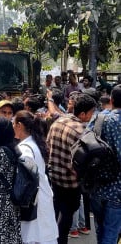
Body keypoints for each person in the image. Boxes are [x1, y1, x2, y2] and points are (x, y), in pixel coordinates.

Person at [46, 94, 97, 244]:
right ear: (83, 113)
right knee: (66, 216)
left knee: (56, 212)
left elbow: (48, 147)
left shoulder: (58, 122)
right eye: (91, 112)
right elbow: (82, 162)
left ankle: (52, 239)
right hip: (71, 182)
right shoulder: (82, 131)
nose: (92, 115)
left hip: (54, 177)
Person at [13, 110, 58, 244]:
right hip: (41, 197)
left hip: (34, 201)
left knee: (33, 237)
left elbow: (25, 176)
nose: (12, 127)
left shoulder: (25, 148)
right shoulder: (34, 142)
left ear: (19, 125)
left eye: (13, 123)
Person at [89, 84, 121, 243]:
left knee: (100, 230)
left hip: (96, 185)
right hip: (116, 190)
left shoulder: (99, 117)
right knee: (111, 234)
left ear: (111, 99)